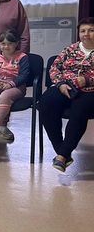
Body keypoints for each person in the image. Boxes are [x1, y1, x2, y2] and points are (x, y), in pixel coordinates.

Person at [38, 17, 94, 172]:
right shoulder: (70, 49)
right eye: (83, 31)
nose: (86, 34)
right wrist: (61, 84)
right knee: (46, 103)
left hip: (90, 91)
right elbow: (54, 68)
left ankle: (62, 155)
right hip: (65, 86)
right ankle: (61, 150)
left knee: (80, 111)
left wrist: (88, 80)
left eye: (91, 30)